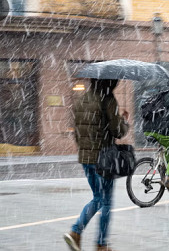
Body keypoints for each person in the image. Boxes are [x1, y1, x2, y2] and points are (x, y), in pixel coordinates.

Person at [64, 79, 129, 251]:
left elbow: (77, 132)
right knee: (105, 201)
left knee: (97, 198)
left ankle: (76, 233)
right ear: (110, 82)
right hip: (103, 158)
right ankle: (99, 243)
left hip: (86, 157)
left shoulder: (82, 99)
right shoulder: (108, 99)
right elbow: (118, 131)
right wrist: (124, 121)